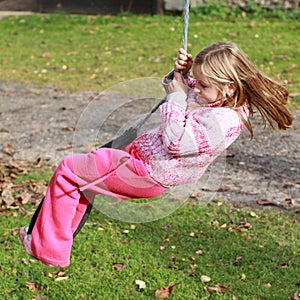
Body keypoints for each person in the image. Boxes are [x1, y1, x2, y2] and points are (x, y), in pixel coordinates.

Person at [19, 41, 293, 267]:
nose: (197, 88)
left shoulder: (224, 120)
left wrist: (176, 96)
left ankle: (49, 248)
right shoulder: (222, 99)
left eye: (204, 84)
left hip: (144, 173)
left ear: (230, 84)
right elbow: (190, 96)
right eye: (197, 82)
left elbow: (176, 141)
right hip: (139, 165)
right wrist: (183, 77)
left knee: (69, 169)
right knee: (81, 184)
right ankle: (54, 244)